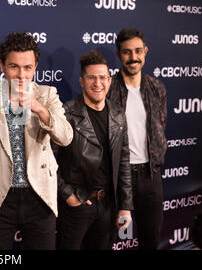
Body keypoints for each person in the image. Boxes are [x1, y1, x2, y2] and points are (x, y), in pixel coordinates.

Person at [0, 31, 73, 249]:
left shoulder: (47, 95)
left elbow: (66, 137)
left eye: (27, 67)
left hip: (39, 195)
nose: (21, 75)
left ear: (35, 67)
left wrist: (39, 109)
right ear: (2, 66)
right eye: (14, 67)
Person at [55, 50, 133, 250]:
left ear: (109, 80)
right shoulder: (67, 113)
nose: (97, 84)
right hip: (77, 205)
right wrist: (69, 195)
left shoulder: (117, 114)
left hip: (108, 205)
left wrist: (125, 206)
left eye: (102, 78)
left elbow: (124, 162)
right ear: (81, 81)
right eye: (91, 78)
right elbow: (48, 162)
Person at [107, 28, 167, 250]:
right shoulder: (108, 89)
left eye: (138, 51)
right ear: (118, 54)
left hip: (150, 176)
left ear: (146, 52)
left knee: (150, 239)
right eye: (127, 52)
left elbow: (160, 125)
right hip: (116, 177)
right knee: (108, 238)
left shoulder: (157, 88)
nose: (133, 57)